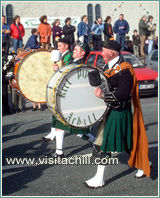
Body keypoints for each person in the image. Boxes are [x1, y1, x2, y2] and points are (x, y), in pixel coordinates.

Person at [84, 40, 151, 188]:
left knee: (105, 144)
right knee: (127, 142)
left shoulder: (124, 70)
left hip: (119, 111)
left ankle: (99, 179)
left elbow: (122, 94)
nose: (102, 53)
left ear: (112, 53)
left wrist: (102, 96)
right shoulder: (108, 67)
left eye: (104, 51)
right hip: (111, 110)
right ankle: (144, 163)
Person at [43, 38, 94, 157]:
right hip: (66, 99)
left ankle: (97, 143)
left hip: (74, 101)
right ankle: (59, 151)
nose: (74, 51)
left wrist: (58, 70)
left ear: (82, 53)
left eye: (76, 49)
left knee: (79, 132)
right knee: (60, 124)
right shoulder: (73, 61)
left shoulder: (80, 64)